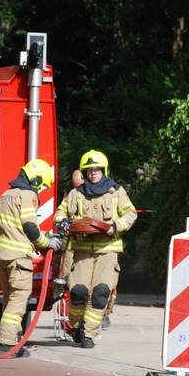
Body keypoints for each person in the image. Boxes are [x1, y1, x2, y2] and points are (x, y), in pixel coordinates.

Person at [54, 149, 137, 348]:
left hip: (108, 251)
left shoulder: (116, 191)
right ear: (84, 173)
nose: (93, 173)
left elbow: (130, 214)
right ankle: (74, 325)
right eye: (89, 170)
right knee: (78, 292)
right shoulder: (76, 194)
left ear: (104, 170)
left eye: (97, 169)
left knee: (101, 293)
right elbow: (59, 214)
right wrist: (63, 223)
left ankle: (88, 333)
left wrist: (114, 226)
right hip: (82, 252)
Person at [0, 158, 61, 356]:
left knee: (9, 300)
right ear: (36, 178)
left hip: (3, 255)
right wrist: (46, 243)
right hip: (18, 257)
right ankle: (7, 344)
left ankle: (14, 340)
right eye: (41, 185)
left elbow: (14, 226)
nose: (40, 190)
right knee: (18, 300)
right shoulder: (27, 194)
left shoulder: (7, 194)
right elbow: (29, 226)